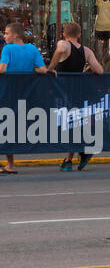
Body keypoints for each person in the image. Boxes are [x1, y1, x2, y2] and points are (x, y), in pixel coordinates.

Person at [50, 23, 104, 171]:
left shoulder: (64, 44)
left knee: (67, 124)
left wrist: (50, 68)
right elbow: (99, 70)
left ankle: (70, 159)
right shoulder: (86, 50)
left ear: (63, 34)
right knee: (73, 124)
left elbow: (60, 49)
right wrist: (88, 68)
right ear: (79, 35)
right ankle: (76, 155)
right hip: (79, 91)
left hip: (62, 91)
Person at [0, 22, 49, 174]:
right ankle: (10, 164)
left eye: (7, 33)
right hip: (24, 95)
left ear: (15, 35)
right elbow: (42, 70)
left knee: (5, 128)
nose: (4, 36)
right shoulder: (32, 49)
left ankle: (11, 163)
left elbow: (2, 69)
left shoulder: (8, 48)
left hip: (6, 92)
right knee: (12, 128)